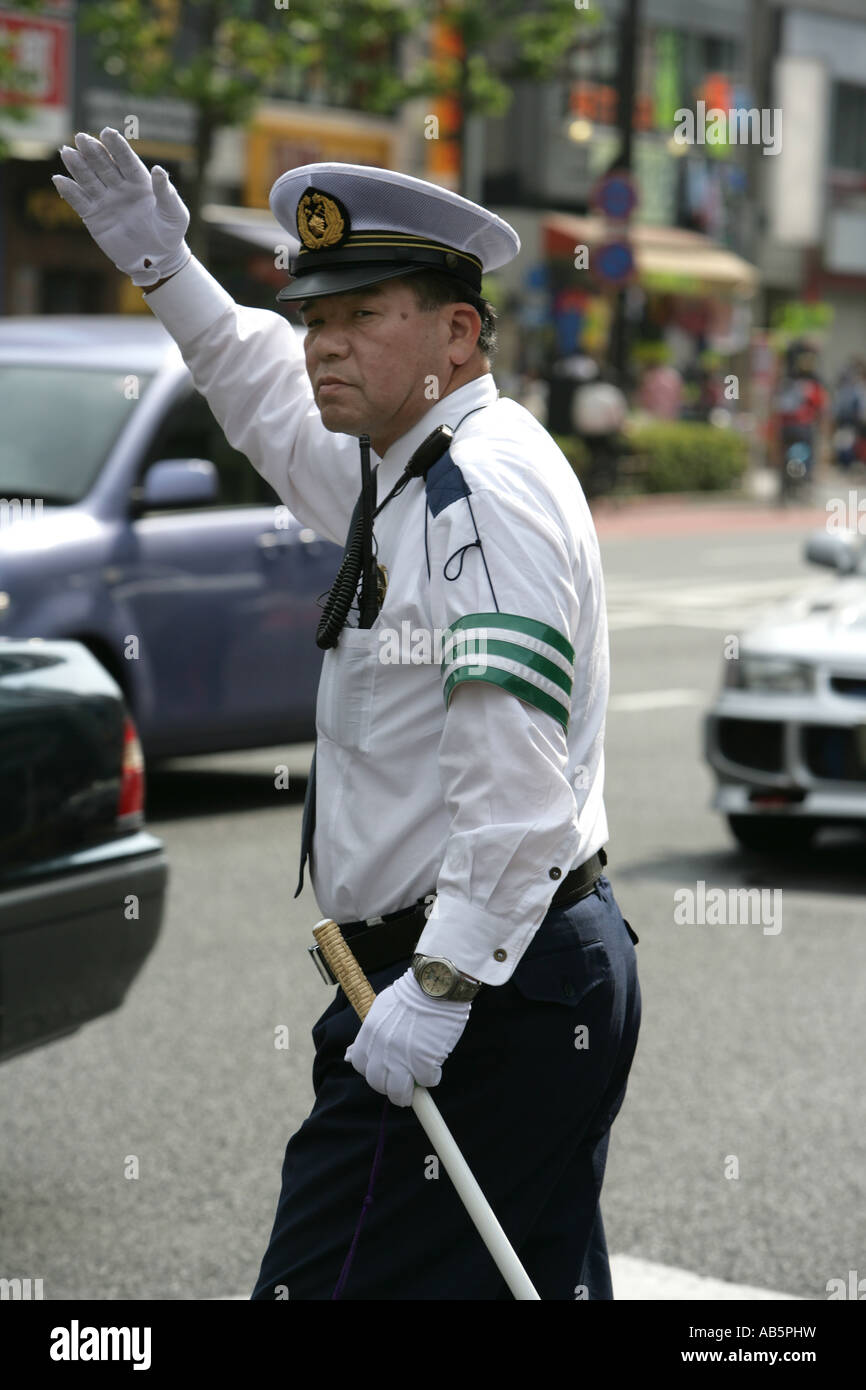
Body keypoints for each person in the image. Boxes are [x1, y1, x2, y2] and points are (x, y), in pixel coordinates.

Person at [53, 129, 641, 1301]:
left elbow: (515, 788)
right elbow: (266, 400)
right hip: (515, 971)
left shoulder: (476, 491)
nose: (323, 345)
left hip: (477, 986)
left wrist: (438, 989)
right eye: (315, 319)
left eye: (361, 315)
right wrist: (169, 270)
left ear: (458, 334)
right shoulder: (410, 463)